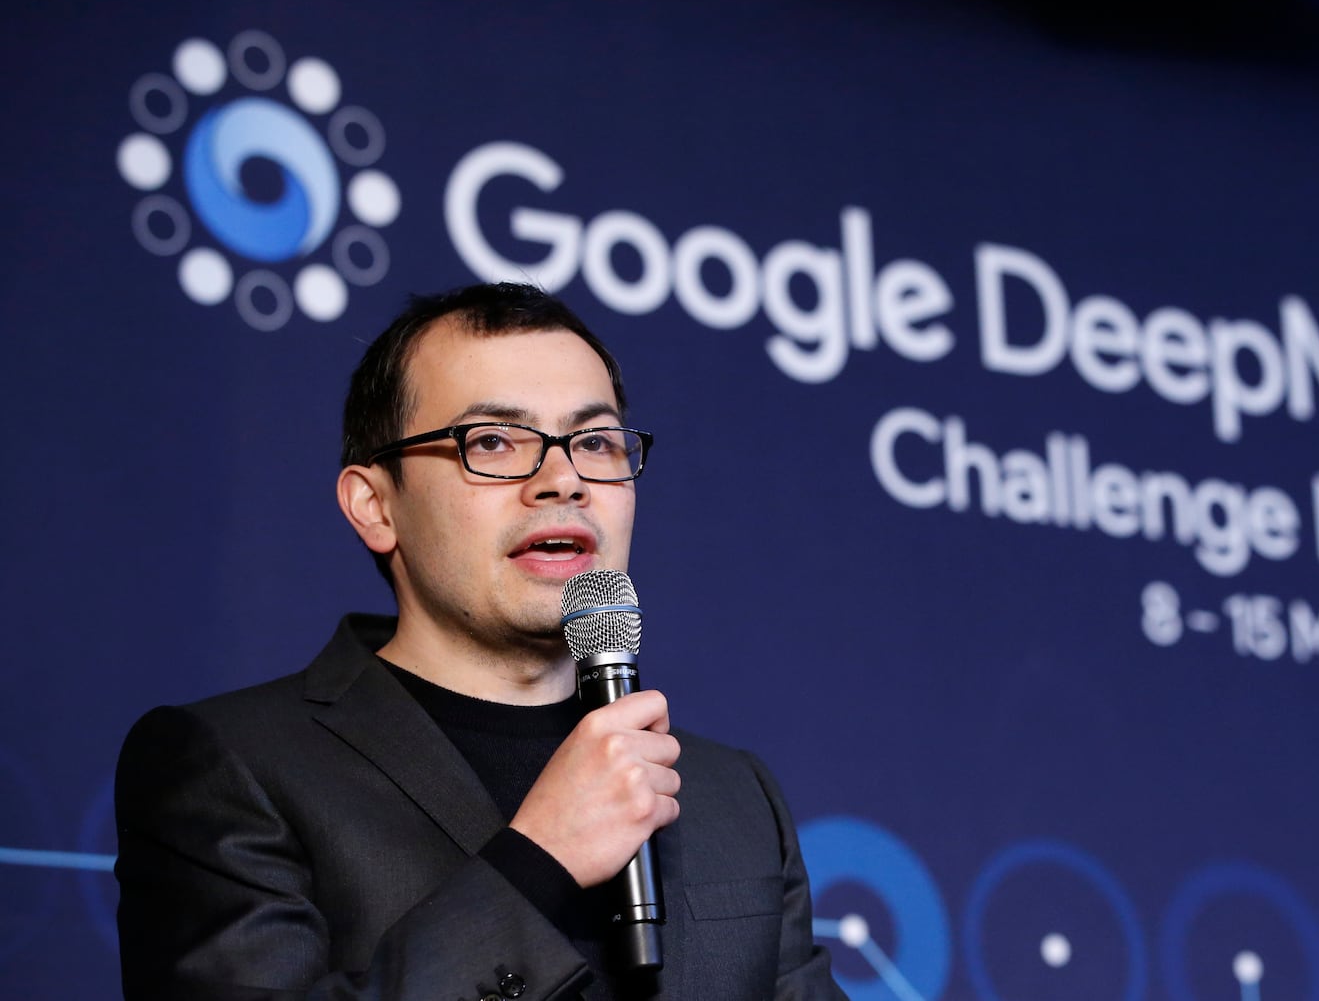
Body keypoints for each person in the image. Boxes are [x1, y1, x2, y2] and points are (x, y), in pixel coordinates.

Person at [114, 282, 844, 1001]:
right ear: (375, 505)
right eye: (493, 441)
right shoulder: (233, 767)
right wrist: (537, 862)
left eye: (594, 441)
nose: (563, 480)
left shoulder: (734, 796)